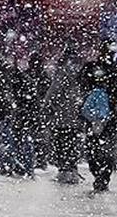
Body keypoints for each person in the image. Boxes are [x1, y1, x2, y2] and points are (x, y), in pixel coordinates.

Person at [79, 41, 117, 192]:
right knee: (105, 149)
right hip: (109, 117)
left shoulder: (90, 67)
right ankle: (103, 177)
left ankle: (99, 174)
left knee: (93, 148)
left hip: (93, 117)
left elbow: (82, 87)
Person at [44, 48, 84, 184]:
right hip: (76, 117)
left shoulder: (62, 74)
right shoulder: (80, 74)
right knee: (73, 143)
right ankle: (72, 169)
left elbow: (52, 95)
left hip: (62, 118)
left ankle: (64, 170)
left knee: (62, 144)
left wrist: (47, 109)